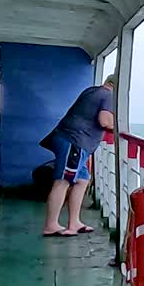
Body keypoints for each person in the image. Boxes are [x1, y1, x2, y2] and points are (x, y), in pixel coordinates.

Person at [40, 75, 115, 236]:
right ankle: (51, 225)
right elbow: (105, 121)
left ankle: (74, 222)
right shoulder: (108, 95)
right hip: (74, 141)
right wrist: (117, 125)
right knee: (63, 181)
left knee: (82, 180)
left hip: (70, 139)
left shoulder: (92, 91)